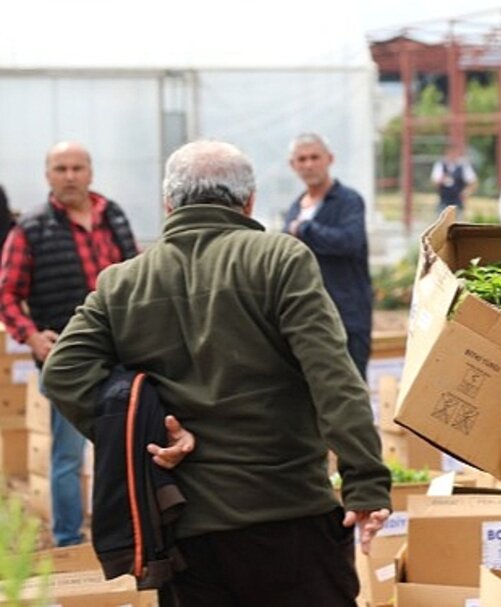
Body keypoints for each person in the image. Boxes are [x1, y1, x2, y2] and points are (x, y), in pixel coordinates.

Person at [41, 140, 391, 605]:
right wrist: (365, 480)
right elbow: (333, 377)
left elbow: (62, 372)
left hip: (187, 531)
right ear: (248, 201)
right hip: (289, 516)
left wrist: (152, 431)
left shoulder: (122, 282)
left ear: (169, 205)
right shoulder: (280, 260)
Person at [0, 142, 138, 547]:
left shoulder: (113, 216)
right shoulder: (31, 228)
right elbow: (6, 294)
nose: (70, 175)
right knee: (67, 456)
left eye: (78, 167)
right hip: (68, 357)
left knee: (127, 446)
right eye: (61, 168)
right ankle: (69, 543)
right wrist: (31, 335)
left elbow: (137, 275)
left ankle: (130, 538)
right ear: (48, 176)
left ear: (91, 172)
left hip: (123, 351)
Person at [284, 133, 373, 378]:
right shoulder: (295, 207)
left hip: (348, 312)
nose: (309, 164)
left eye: (315, 157)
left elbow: (349, 241)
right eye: (302, 159)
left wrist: (304, 229)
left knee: (351, 383)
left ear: (329, 159)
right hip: (308, 316)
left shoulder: (348, 201)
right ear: (293, 166)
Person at [430, 144, 477, 216]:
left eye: (454, 153)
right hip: (443, 201)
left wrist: (466, 192)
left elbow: (473, 182)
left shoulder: (463, 165)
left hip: (458, 201)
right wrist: (441, 180)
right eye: (450, 153)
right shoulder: (440, 165)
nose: (452, 155)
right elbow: (434, 182)